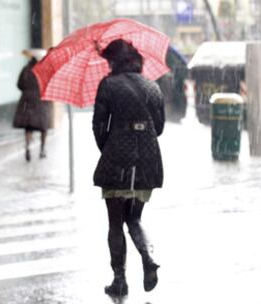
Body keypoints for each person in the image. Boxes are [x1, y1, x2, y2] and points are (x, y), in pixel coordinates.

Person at [92, 39, 165, 297]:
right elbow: (159, 128)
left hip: (117, 163)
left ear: (115, 61)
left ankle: (119, 280)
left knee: (115, 223)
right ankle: (148, 258)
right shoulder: (152, 86)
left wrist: (111, 148)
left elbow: (98, 127)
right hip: (147, 162)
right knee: (134, 217)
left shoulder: (108, 85)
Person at [13, 49, 50, 161]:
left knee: (28, 127)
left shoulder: (26, 69)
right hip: (41, 100)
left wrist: (27, 90)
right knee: (43, 127)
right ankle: (42, 149)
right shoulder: (44, 70)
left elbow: (19, 84)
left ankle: (28, 146)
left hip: (27, 100)